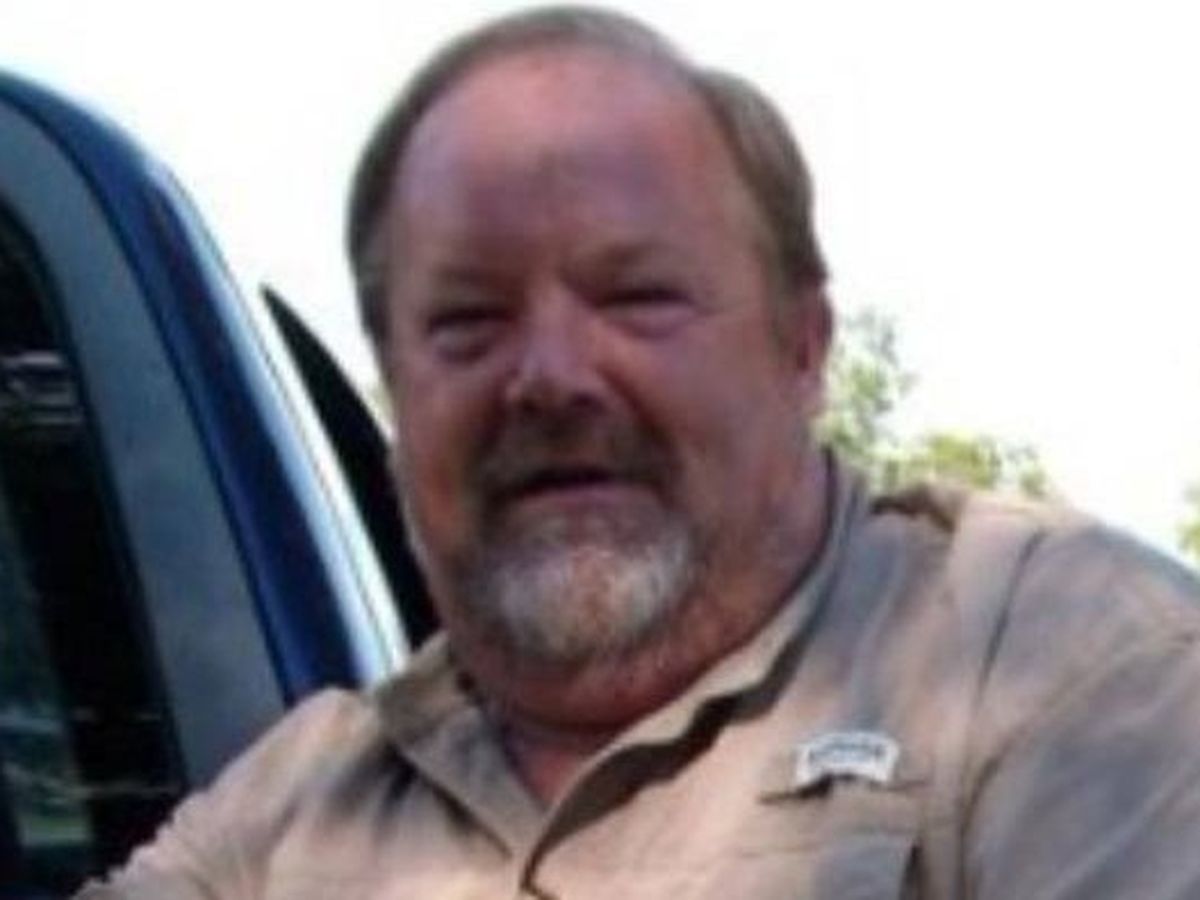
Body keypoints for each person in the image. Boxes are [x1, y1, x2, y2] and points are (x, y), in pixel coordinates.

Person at [80, 6, 1200, 899]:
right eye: (468, 319)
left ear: (802, 347)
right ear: (396, 388)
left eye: (637, 297)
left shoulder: (1066, 663)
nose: (550, 376)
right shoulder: (292, 809)